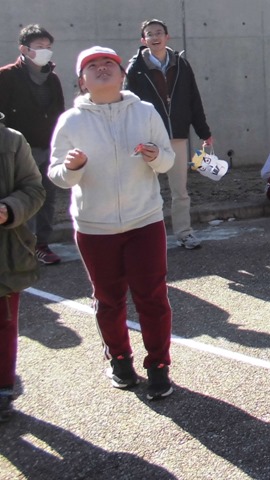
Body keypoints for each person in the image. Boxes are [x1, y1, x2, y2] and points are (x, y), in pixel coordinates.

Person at [48, 46, 177, 400]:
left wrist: (156, 156)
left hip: (145, 221)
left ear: (122, 75)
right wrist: (72, 168)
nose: (102, 69)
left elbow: (168, 160)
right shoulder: (71, 121)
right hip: (94, 227)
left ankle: (158, 366)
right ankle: (120, 361)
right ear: (82, 81)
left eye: (109, 64)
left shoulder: (145, 111)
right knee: (108, 300)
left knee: (152, 297)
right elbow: (57, 175)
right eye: (93, 66)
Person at [124, 19, 213, 250]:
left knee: (180, 191)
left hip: (177, 137)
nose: (155, 37)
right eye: (150, 34)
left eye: (159, 33)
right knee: (146, 190)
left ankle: (184, 233)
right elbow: (128, 104)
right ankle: (146, 237)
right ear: (143, 40)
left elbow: (194, 98)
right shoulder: (135, 68)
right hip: (148, 138)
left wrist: (203, 131)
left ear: (167, 36)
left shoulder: (181, 64)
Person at [0, 25, 66, 265]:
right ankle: (21, 246)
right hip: (17, 151)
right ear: (24, 49)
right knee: (22, 198)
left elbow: (60, 113)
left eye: (48, 47)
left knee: (47, 197)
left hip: (48, 147)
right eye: (39, 47)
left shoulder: (53, 79)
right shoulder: (6, 76)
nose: (45, 51)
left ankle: (41, 245)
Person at [0, 111, 45, 423]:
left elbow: (34, 189)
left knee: (4, 326)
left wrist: (9, 209)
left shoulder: (11, 140)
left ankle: (3, 391)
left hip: (6, 255)